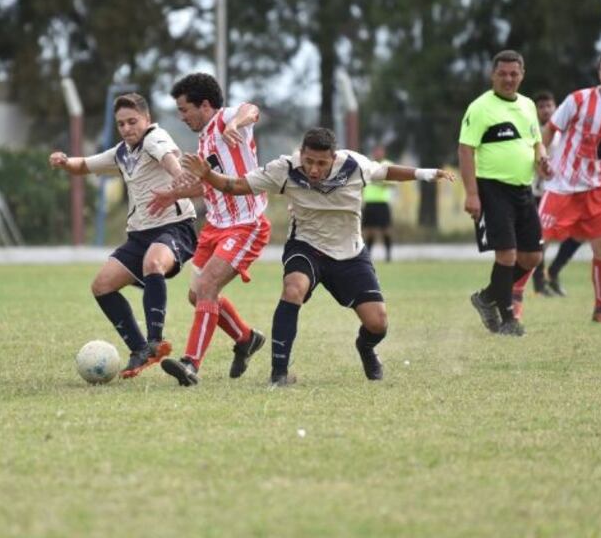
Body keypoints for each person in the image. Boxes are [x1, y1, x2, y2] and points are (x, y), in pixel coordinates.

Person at [183, 127, 453, 386]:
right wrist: (209, 175)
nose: (313, 169)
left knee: (377, 323)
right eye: (309, 161)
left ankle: (366, 348)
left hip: (350, 253)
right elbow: (235, 185)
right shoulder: (285, 168)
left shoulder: (353, 165)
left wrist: (426, 173)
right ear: (301, 153)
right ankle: (279, 373)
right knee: (293, 288)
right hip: (306, 247)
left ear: (333, 158)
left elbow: (385, 170)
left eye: (321, 163)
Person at [49, 93, 197, 378]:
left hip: (175, 226)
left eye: (133, 121)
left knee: (154, 262)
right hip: (139, 235)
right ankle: (139, 349)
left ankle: (155, 341)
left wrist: (179, 175)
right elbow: (86, 165)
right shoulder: (122, 153)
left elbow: (169, 157)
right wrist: (65, 161)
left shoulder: (155, 137)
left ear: (147, 120)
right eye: (121, 124)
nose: (127, 128)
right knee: (102, 286)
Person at [147, 73, 270, 387]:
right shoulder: (203, 143)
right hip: (215, 226)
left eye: (185, 109)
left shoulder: (226, 119)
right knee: (195, 294)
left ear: (205, 105)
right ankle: (245, 338)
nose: (182, 116)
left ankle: (190, 364)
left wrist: (235, 124)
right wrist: (173, 194)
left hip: (245, 225)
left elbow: (251, 109)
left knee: (207, 288)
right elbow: (208, 189)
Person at [538, 51, 601, 324]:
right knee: (535, 245)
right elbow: (550, 129)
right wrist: (541, 157)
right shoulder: (578, 100)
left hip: (596, 188)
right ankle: (512, 303)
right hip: (563, 185)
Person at [458, 49, 550, 337]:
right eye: (502, 74)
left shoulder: (527, 105)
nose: (508, 79)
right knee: (507, 255)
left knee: (532, 257)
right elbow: (465, 150)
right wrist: (472, 194)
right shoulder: (480, 107)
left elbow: (536, 142)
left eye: (514, 74)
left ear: (522, 75)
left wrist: (542, 159)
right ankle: (508, 318)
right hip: (492, 189)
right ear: (492, 75)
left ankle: (487, 297)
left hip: (523, 189)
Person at [510, 91, 581, 317]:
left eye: (549, 106)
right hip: (537, 193)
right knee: (540, 239)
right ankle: (538, 285)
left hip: (564, 191)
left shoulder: (564, 133)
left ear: (556, 107)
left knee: (578, 233)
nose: (546, 110)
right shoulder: (532, 131)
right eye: (541, 107)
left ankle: (554, 271)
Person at [361, 144, 394, 262]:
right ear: (373, 153)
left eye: (380, 151)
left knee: (386, 230)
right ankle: (368, 256)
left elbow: (394, 183)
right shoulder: (367, 165)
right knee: (368, 231)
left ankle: (388, 256)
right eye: (376, 151)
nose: (378, 154)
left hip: (382, 202)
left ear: (383, 152)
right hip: (369, 203)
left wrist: (380, 181)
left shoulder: (388, 165)